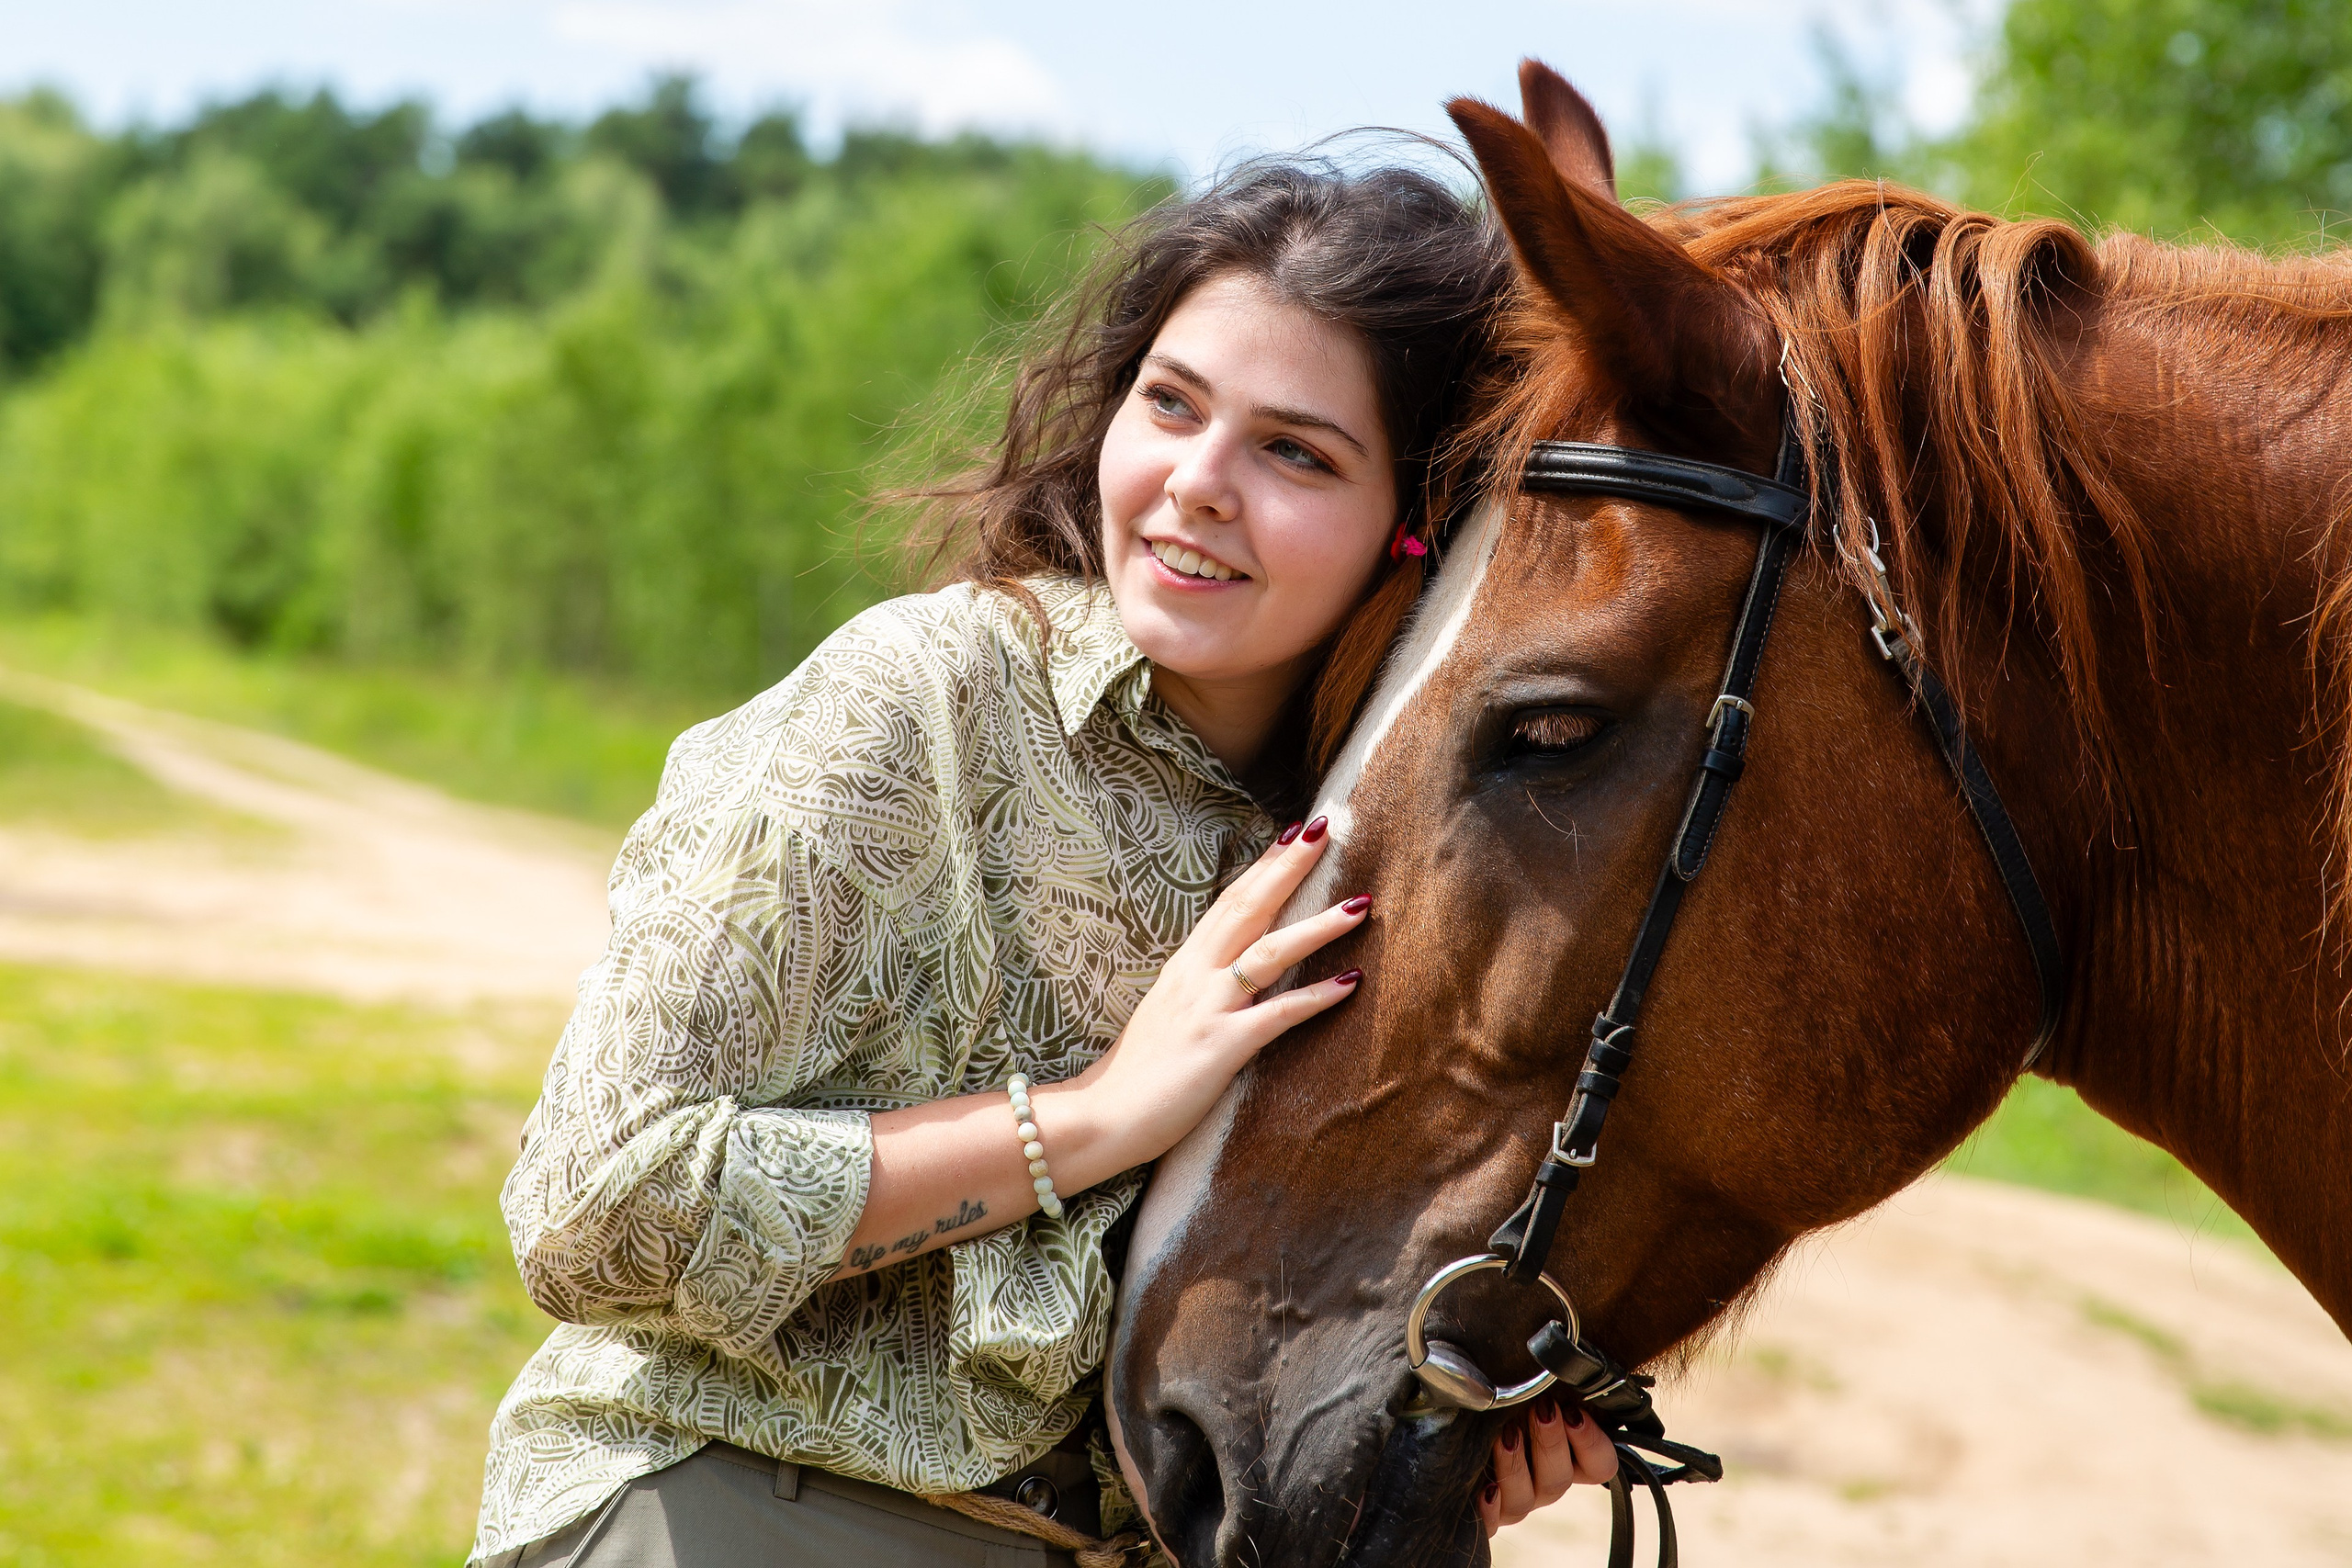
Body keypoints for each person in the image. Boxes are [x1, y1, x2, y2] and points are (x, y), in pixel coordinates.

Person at [468, 156, 1616, 1568]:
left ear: (1414, 520)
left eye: (1295, 453)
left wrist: (1442, 1445)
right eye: (1172, 404)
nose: (1198, 485)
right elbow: (594, 1206)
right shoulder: (925, 704)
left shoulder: (1407, 848)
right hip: (744, 1510)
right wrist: (1094, 1119)